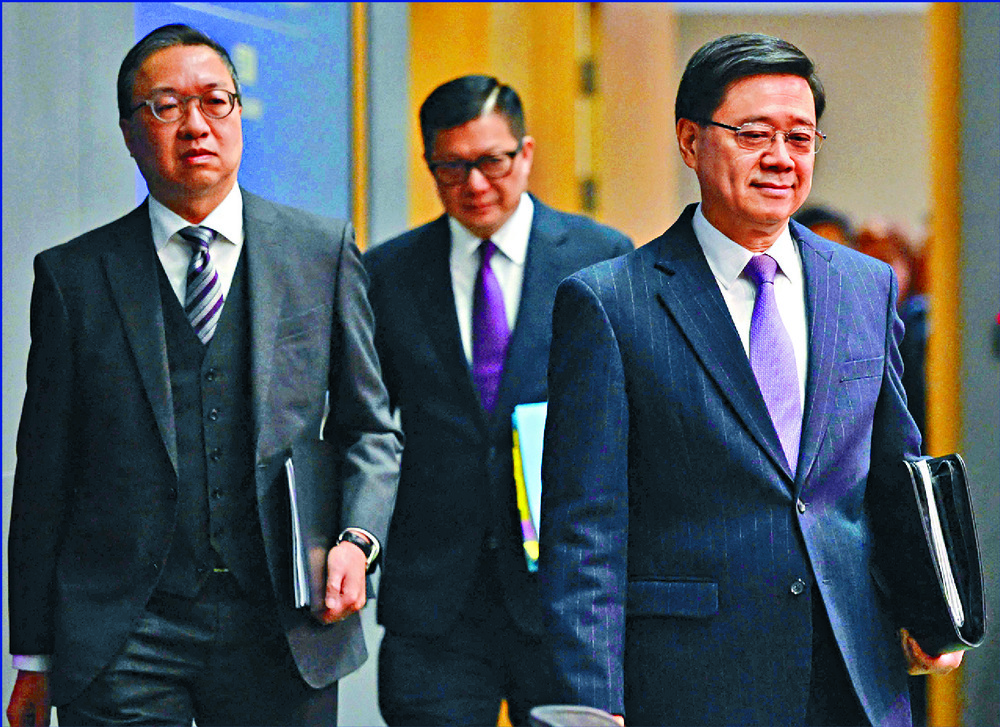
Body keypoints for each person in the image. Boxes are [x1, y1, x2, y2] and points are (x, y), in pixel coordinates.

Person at [538, 33, 962, 726]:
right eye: (754, 134)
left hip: (856, 672)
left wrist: (928, 606)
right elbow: (585, 529)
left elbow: (894, 470)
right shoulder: (611, 303)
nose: (780, 157)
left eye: (800, 137)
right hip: (691, 681)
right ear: (690, 141)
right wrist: (591, 704)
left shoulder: (865, 284)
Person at [6, 24, 402, 727]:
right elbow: (44, 475)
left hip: (283, 622)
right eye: (165, 106)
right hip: (125, 631)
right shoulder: (74, 277)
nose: (195, 124)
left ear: (239, 113)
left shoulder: (320, 252)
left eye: (216, 101)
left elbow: (371, 429)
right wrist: (33, 657)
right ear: (130, 134)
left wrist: (358, 538)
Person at [364, 75, 632, 726]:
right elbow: (366, 423)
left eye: (492, 161)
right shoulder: (387, 273)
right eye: (452, 166)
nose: (475, 184)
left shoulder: (600, 258)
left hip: (564, 593)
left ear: (526, 153)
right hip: (435, 599)